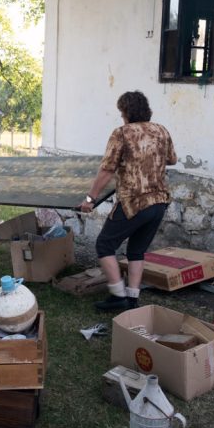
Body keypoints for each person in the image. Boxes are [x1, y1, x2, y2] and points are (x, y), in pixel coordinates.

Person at [79, 91, 177, 311]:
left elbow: (107, 170)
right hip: (159, 201)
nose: (121, 117)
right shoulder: (161, 130)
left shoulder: (122, 133)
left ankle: (118, 295)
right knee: (136, 250)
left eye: (121, 112)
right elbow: (172, 159)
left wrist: (90, 198)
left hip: (134, 203)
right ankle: (132, 298)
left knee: (104, 244)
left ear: (126, 112)